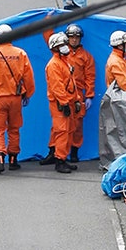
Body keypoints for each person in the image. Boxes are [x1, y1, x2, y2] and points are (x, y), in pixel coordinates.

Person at [0, 23, 36, 174]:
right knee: (14, 128)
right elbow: (28, 77)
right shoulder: (20, 53)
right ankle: (13, 160)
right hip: (16, 98)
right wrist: (28, 94)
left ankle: (0, 159)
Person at [42, 32, 79, 174]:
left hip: (67, 102)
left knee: (68, 131)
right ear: (55, 48)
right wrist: (64, 103)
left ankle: (62, 157)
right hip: (60, 104)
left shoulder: (64, 62)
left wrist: (75, 100)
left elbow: (71, 84)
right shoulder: (54, 65)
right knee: (62, 131)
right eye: (62, 44)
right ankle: (60, 160)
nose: (66, 47)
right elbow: (57, 87)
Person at [65, 24, 95, 162]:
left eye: (77, 37)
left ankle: (74, 151)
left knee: (77, 125)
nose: (74, 40)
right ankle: (56, 152)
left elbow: (90, 77)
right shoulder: (62, 53)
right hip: (63, 93)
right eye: (71, 37)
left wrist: (89, 95)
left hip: (78, 95)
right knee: (60, 125)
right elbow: (49, 39)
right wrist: (48, 20)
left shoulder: (86, 57)